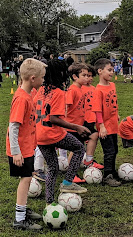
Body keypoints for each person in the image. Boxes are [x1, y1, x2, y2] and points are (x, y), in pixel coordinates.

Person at [34, 59, 89, 206]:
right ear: (61, 73)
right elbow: (53, 118)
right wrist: (76, 127)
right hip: (52, 134)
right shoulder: (58, 93)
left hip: (39, 135)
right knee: (79, 148)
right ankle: (67, 181)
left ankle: (49, 202)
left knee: (52, 167)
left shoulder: (41, 90)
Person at [6, 58, 46, 230]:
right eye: (42, 78)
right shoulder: (21, 98)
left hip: (27, 147)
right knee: (26, 179)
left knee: (27, 178)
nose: (43, 80)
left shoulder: (28, 94)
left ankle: (23, 209)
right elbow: (13, 127)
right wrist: (16, 151)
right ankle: (19, 219)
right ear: (32, 78)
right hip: (20, 149)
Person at [92, 58, 121, 187]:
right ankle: (107, 175)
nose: (112, 72)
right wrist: (101, 126)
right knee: (109, 151)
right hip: (105, 126)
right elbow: (97, 110)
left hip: (114, 124)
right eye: (109, 70)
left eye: (112, 70)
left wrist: (117, 113)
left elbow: (113, 102)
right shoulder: (98, 90)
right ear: (100, 71)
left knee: (115, 149)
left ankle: (112, 171)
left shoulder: (112, 85)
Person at [81, 64, 103, 169]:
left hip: (91, 119)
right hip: (82, 119)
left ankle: (88, 160)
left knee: (93, 136)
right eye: (86, 76)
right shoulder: (79, 88)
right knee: (90, 137)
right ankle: (88, 161)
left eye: (90, 76)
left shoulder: (94, 89)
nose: (89, 78)